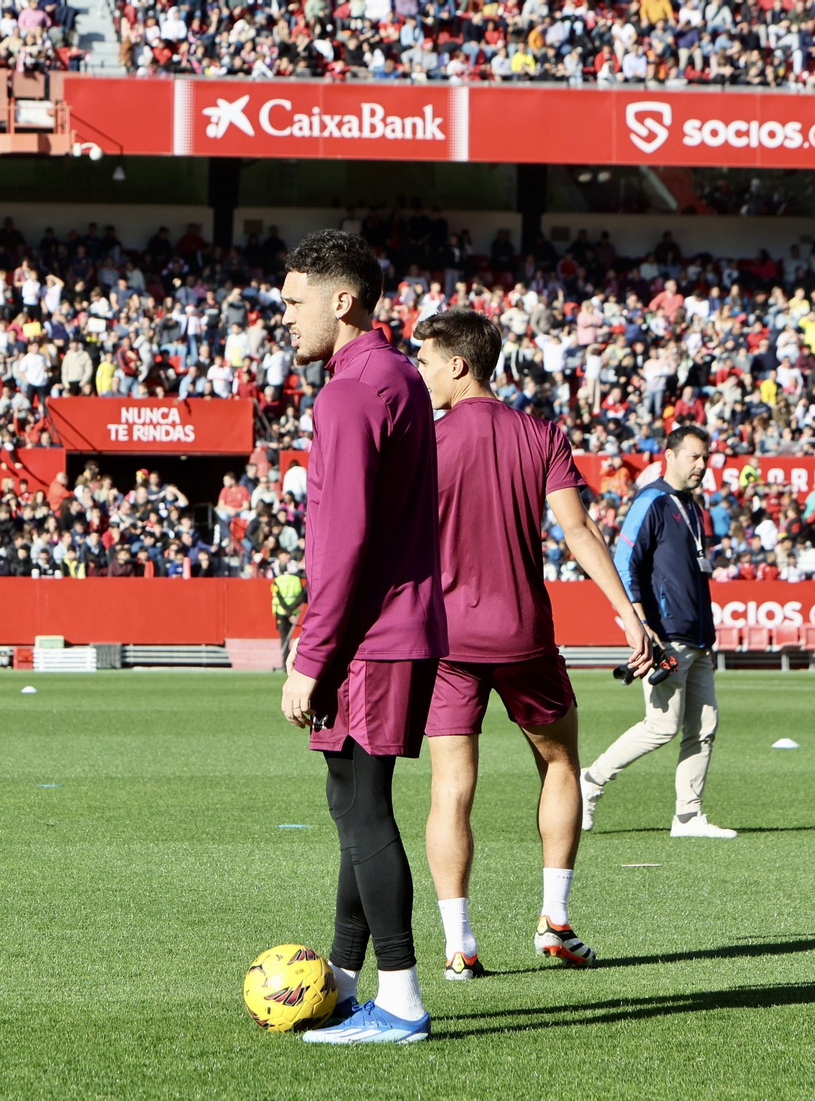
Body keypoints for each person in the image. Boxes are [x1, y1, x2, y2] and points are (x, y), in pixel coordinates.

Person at [411, 309, 651, 982]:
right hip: (523, 637)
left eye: (426, 360)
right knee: (561, 764)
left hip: (447, 640)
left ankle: (459, 945)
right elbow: (578, 531)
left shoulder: (424, 442)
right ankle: (554, 920)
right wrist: (626, 615)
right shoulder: (540, 433)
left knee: (451, 789)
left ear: (459, 363)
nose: (420, 371)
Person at [278, 230, 447, 1045]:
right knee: (352, 803)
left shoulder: (348, 392)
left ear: (341, 300)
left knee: (364, 808)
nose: (284, 317)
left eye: (293, 300)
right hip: (395, 625)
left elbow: (341, 540)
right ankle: (344, 977)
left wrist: (309, 657)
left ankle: (404, 999)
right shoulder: (398, 375)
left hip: (370, 634)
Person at [581, 425, 736, 839]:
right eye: (695, 457)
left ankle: (688, 817)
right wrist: (642, 625)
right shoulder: (651, 501)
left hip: (698, 636)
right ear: (670, 456)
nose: (703, 465)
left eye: (706, 457)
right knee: (661, 727)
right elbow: (624, 561)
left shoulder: (691, 506)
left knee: (703, 727)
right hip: (665, 634)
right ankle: (590, 782)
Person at [269, 550, 306, 663]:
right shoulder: (297, 581)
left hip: (281, 612)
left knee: (284, 637)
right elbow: (302, 596)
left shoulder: (277, 580)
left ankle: (285, 661)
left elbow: (278, 596)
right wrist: (291, 611)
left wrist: (287, 610)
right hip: (294, 612)